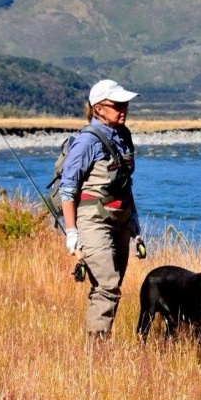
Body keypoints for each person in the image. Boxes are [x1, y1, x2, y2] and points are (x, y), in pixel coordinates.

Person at [60, 79, 142, 339]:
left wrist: (135, 224)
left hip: (122, 219)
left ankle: (100, 339)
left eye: (125, 104)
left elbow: (126, 184)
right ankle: (97, 351)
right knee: (107, 284)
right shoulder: (87, 141)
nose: (123, 109)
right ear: (98, 109)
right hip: (93, 220)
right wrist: (71, 233)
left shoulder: (123, 136)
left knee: (113, 284)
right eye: (116, 105)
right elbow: (68, 188)